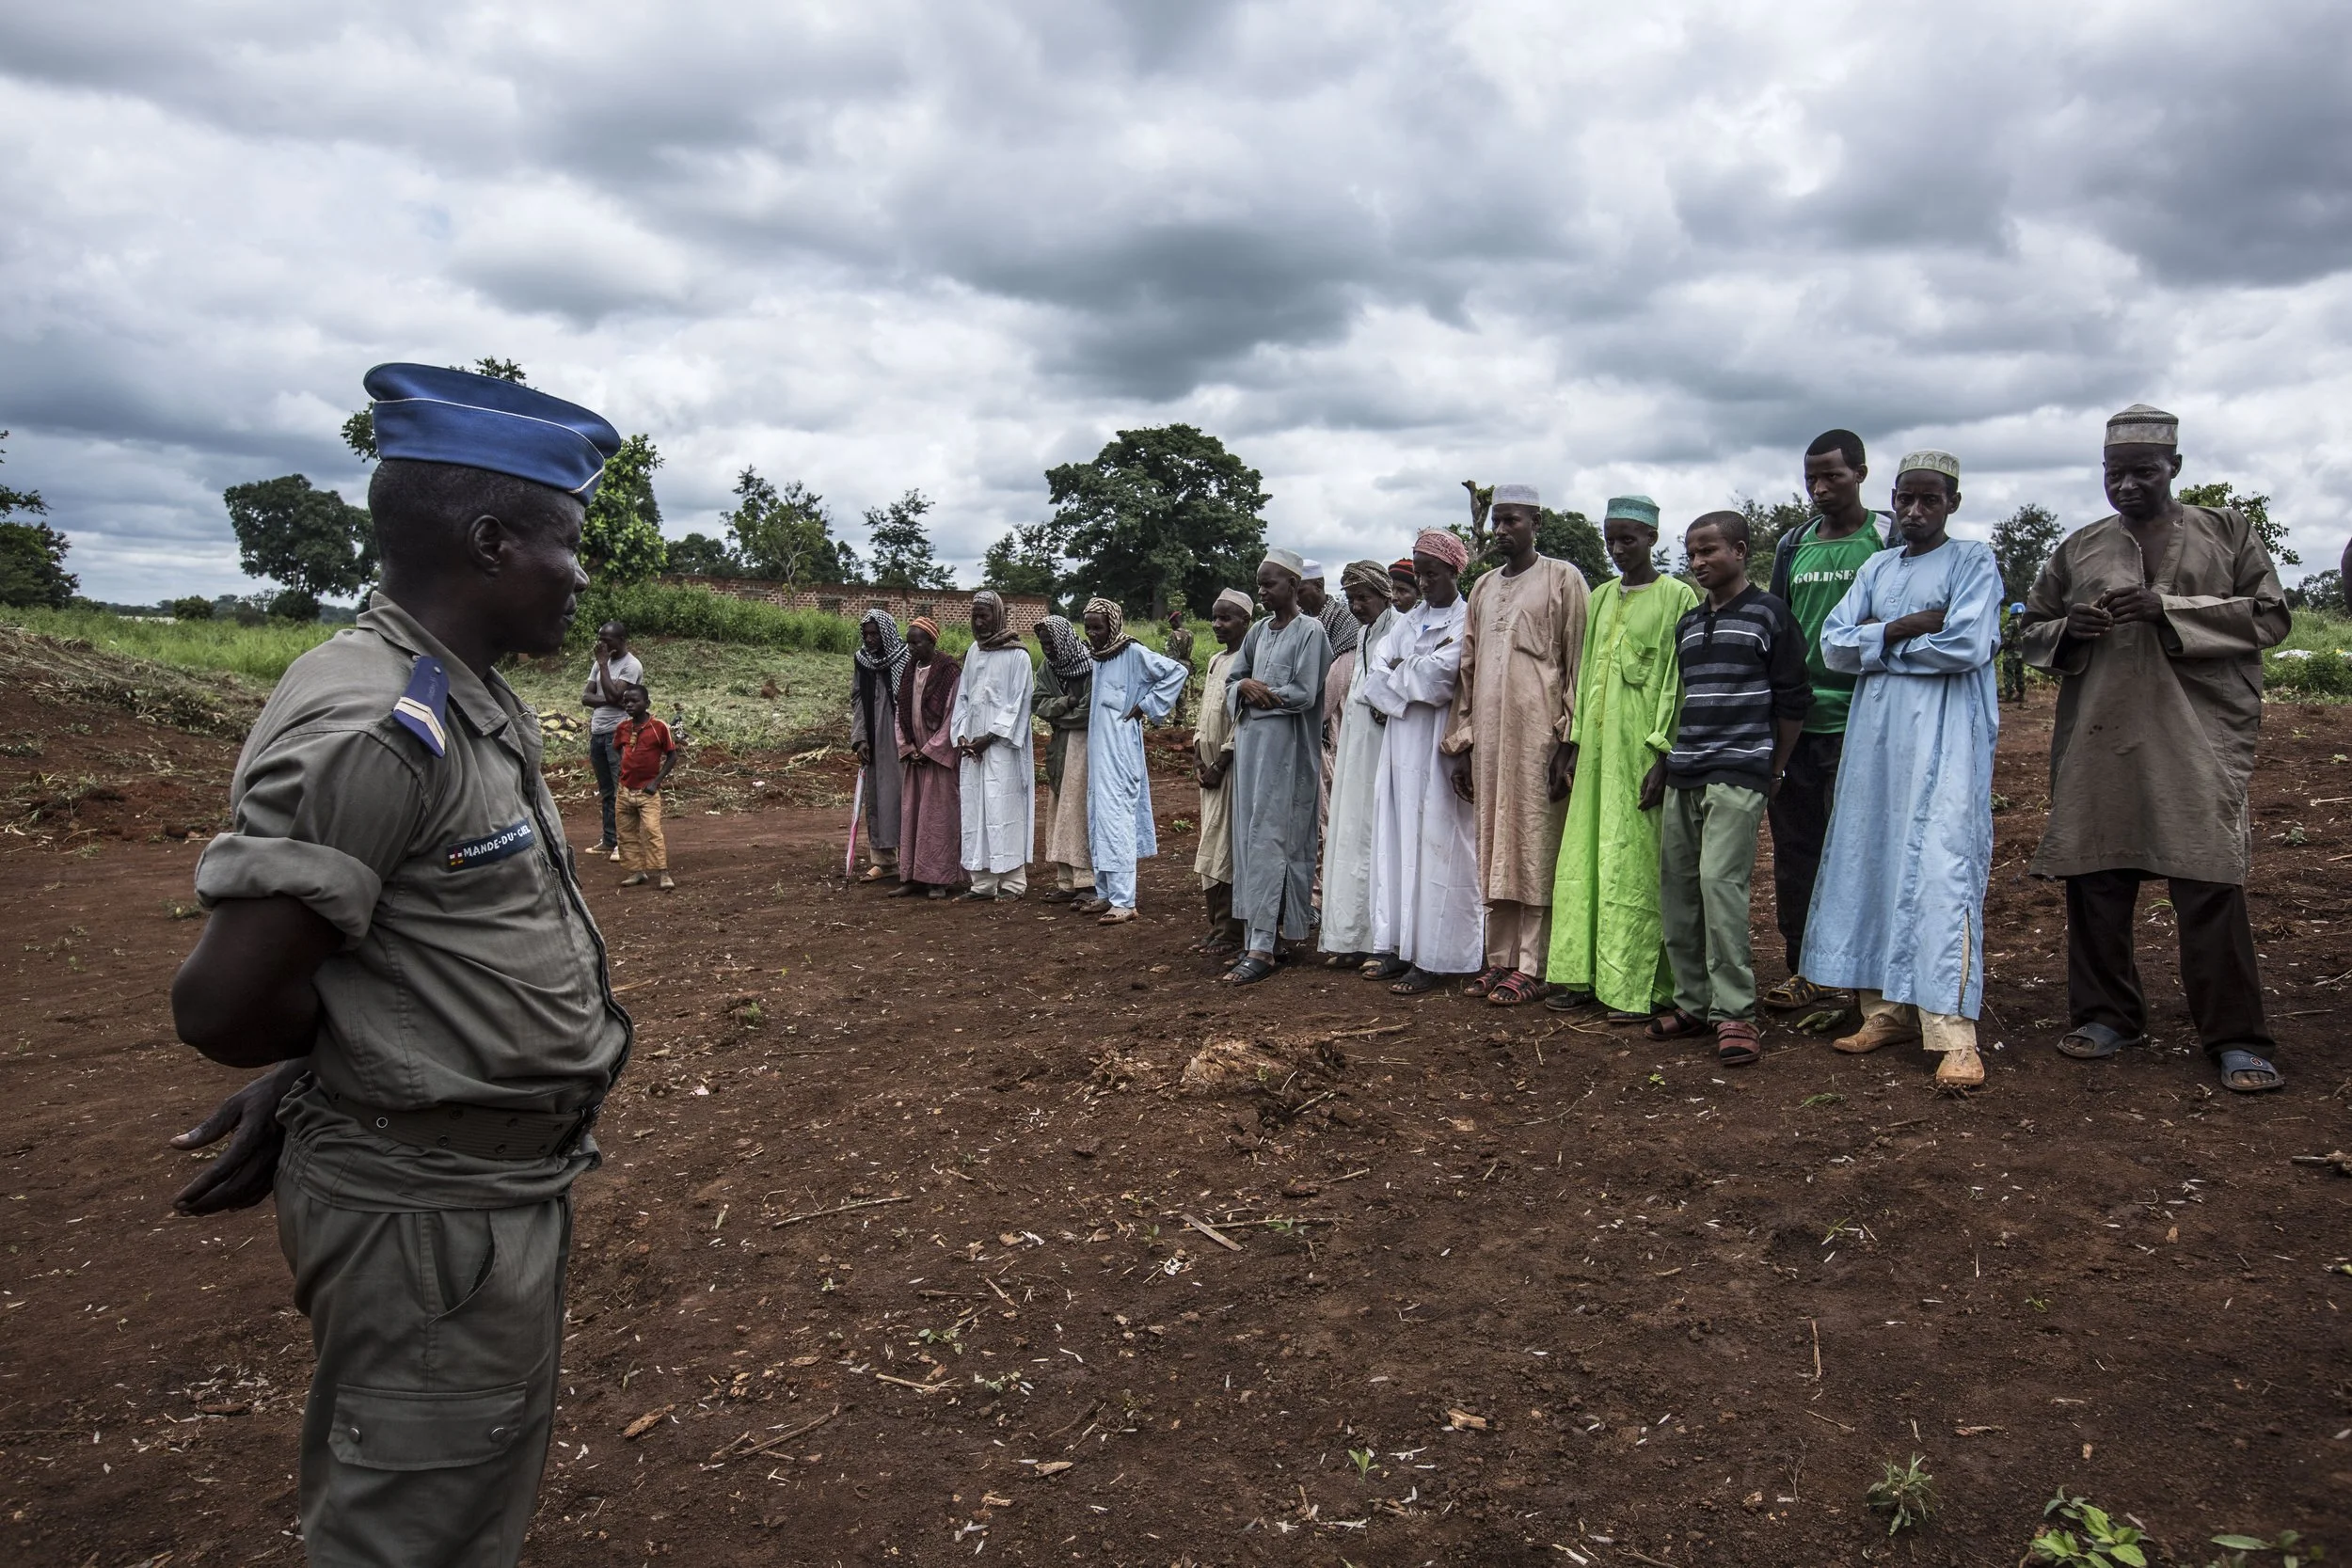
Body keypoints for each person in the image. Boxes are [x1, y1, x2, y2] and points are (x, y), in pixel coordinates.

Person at [165, 361, 631, 1568]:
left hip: (476, 1198)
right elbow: (221, 1001)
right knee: (408, 1538)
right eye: (566, 543)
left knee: (462, 1514)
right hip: (425, 1213)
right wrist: (346, 1067)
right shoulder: (377, 724)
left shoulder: (461, 692)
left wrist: (338, 1056)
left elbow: (396, 949)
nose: (581, 574)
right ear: (490, 541)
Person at [2018, 404, 2291, 1093]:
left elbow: (2271, 615)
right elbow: (2028, 629)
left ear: (2176, 467)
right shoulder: (2079, 547)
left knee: (2207, 881)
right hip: (2100, 737)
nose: (2128, 485)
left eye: (2144, 471)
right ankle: (2108, 1015)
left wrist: (2170, 607)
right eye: (2116, 474)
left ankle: (2234, 1036)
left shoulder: (2227, 532)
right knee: (2097, 877)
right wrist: (2069, 628)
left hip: (2196, 735)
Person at [1804, 452, 2001, 1088]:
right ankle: (1885, 1009)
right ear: (1893, 500)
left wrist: (1878, 641)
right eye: (1906, 500)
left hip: (1945, 739)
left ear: (1952, 504)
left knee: (1941, 870)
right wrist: (1906, 626)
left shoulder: (1974, 561)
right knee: (1876, 859)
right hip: (1877, 742)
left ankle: (1954, 1034)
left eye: (1930, 500)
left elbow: (1966, 644)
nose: (1916, 511)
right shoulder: (1877, 565)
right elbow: (1834, 645)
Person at [1650, 512, 1811, 1067]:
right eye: (1691, 553)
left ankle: (1736, 1012)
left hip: (1740, 773)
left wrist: (1774, 768)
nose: (1698, 562)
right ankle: (1694, 1001)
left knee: (1721, 887)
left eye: (1709, 551)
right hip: (1686, 771)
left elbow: (1793, 700)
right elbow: (1685, 701)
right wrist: (1668, 763)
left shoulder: (1770, 614)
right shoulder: (1689, 625)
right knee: (1678, 890)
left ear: (1740, 551)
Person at [1544, 497, 1698, 1023]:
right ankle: (1584, 973)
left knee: (1635, 865)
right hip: (1597, 757)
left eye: (1628, 538)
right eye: (1610, 538)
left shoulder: (1677, 595)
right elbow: (1586, 676)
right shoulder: (1602, 596)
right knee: (1587, 858)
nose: (1617, 549)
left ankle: (1636, 986)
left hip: (1642, 753)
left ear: (1652, 538)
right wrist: (1574, 744)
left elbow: (1678, 682)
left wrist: (1664, 755)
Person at [1760, 430, 1893, 1019]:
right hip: (1798, 724)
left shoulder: (1885, 538)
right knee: (1796, 848)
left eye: (1831, 476)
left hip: (1862, 720)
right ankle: (1804, 969)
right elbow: (1781, 626)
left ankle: (1865, 975)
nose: (1818, 488)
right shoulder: (1795, 545)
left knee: (1856, 848)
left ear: (1860, 473)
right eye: (1810, 477)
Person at [1445, 482, 1590, 1006]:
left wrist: (1567, 744)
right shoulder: (1482, 588)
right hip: (1489, 740)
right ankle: (1499, 958)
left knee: (1533, 846)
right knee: (1493, 848)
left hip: (1538, 740)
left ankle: (1535, 963)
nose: (1503, 530)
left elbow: (1578, 664)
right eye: (1497, 521)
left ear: (1536, 523)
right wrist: (1463, 742)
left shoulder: (1563, 579)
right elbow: (1468, 668)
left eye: (1513, 520)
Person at [1362, 531, 1486, 992]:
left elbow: (1444, 677)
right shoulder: (1407, 620)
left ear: (1455, 571)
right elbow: (1375, 675)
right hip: (1399, 743)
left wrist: (1404, 671)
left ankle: (1439, 956)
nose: (1425, 581)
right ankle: (1400, 946)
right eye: (1420, 573)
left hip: (1441, 742)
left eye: (1433, 573)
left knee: (1442, 843)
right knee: (1399, 840)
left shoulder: (1467, 618)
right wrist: (1410, 672)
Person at [1218, 551, 1331, 985]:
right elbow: (1236, 680)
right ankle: (1260, 938)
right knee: (1251, 840)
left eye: (1269, 585)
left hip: (1286, 757)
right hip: (1250, 753)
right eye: (1260, 585)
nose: (1262, 592)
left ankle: (1263, 946)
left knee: (1272, 842)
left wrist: (1264, 695)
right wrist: (1244, 686)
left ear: (1293, 585)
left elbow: (1304, 693)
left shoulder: (1311, 631)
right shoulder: (1260, 632)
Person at [1078, 597, 1190, 924]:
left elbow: (1176, 671)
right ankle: (1105, 894)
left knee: (1117, 821)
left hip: (1120, 752)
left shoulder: (1132, 652)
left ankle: (1124, 901)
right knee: (1099, 817)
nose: (1092, 633)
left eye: (1098, 627)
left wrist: (1146, 705)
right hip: (1100, 752)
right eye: (1088, 627)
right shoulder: (1099, 658)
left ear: (1112, 625)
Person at [1318, 560, 1402, 968]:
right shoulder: (1364, 633)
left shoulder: (1400, 629)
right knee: (1351, 835)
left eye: (1363, 597)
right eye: (1350, 598)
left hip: (1386, 753)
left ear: (1385, 594)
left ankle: (1382, 942)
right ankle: (1350, 937)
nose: (1356, 606)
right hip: (1355, 750)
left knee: (1379, 840)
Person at [952, 591, 1036, 901]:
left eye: (984, 615)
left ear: (997, 615)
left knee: (1004, 811)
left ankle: (1013, 884)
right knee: (976, 814)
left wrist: (990, 737)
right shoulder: (974, 651)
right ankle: (982, 884)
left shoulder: (1019, 655)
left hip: (1002, 751)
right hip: (973, 751)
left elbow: (1019, 703)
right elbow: (963, 697)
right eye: (974, 616)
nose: (978, 622)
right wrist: (962, 735)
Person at [1192, 589, 1251, 953]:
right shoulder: (1216, 660)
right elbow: (1205, 713)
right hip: (1208, 770)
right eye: (1215, 617)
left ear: (1246, 621)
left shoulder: (1248, 661)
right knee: (1209, 843)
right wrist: (1199, 757)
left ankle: (1231, 929)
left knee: (1226, 844)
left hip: (1230, 769)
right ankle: (1216, 925)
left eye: (1226, 618)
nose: (1217, 625)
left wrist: (1221, 761)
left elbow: (1242, 721)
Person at [892, 617, 964, 899]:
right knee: (912, 816)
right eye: (909, 642)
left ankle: (938, 879)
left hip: (937, 761)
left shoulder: (949, 672)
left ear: (932, 642)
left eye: (917, 642)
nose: (911, 648)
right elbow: (901, 712)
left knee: (937, 818)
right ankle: (911, 875)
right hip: (915, 758)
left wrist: (931, 750)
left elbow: (952, 717)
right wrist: (908, 748)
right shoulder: (909, 670)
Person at [1031, 614, 1096, 903]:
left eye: (1051, 644)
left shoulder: (1090, 665)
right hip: (1060, 747)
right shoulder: (1048, 668)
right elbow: (1038, 703)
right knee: (1060, 812)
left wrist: (1060, 713)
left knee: (1079, 812)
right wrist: (1065, 703)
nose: (1048, 649)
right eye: (1043, 644)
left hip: (1085, 748)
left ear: (1064, 641)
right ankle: (1065, 882)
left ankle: (1087, 882)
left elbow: (1088, 712)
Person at [850, 609, 907, 882]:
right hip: (874, 735)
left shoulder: (904, 657)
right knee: (877, 797)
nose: (870, 639)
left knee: (902, 796)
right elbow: (858, 698)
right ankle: (884, 861)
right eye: (867, 634)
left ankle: (909, 858)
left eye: (875, 634)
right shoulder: (862, 661)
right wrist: (860, 737)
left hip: (901, 735)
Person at [580, 620, 642, 860]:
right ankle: (609, 839)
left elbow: (618, 695)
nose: (601, 645)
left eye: (607, 641)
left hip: (618, 733)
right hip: (597, 732)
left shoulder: (631, 665)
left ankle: (624, 843)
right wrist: (612, 697)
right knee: (606, 790)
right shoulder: (599, 664)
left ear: (621, 640)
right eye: (600, 640)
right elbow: (586, 697)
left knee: (621, 789)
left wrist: (604, 667)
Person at [612, 682, 677, 891]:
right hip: (624, 790)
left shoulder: (659, 727)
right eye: (626, 702)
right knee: (626, 832)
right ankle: (636, 871)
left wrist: (656, 782)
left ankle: (663, 872)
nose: (629, 705)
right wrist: (624, 772)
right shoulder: (623, 728)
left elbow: (672, 756)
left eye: (634, 701)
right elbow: (618, 750)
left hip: (648, 791)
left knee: (651, 830)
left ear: (647, 703)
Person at [1164, 602, 1197, 724]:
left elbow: (1171, 654)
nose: (1171, 624)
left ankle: (1163, 717)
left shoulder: (1174, 635)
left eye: (1172, 622)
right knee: (1183, 693)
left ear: (1176, 621)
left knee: (1170, 691)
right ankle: (1180, 718)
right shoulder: (1190, 634)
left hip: (1176, 666)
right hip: (1187, 666)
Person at [1999, 601, 2028, 704]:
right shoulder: (2025, 624)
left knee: (2009, 673)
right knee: (2020, 674)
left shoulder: (2011, 624)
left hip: (2011, 654)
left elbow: (2006, 639)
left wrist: (1997, 649)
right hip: (2022, 653)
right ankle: (2021, 694)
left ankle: (2009, 695)